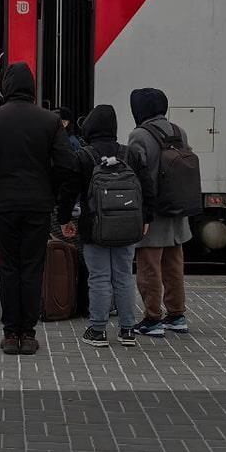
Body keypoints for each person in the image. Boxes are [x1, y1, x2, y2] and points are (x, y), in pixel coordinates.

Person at [0, 62, 76, 355]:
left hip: (3, 205)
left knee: (8, 268)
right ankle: (27, 334)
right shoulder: (50, 120)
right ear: (32, 88)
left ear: (6, 87)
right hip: (38, 206)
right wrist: (49, 189)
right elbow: (67, 164)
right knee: (31, 268)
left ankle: (10, 333)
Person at [58, 105, 152, 347]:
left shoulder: (83, 156)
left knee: (99, 277)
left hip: (94, 227)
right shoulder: (130, 154)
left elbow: (68, 190)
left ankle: (98, 330)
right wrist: (146, 219)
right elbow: (147, 189)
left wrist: (64, 219)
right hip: (127, 227)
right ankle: (127, 330)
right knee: (123, 276)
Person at [128, 88, 192, 338]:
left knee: (149, 268)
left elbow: (135, 174)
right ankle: (176, 315)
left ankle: (152, 318)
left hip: (152, 213)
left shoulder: (139, 135)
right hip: (177, 209)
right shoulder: (179, 131)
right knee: (174, 266)